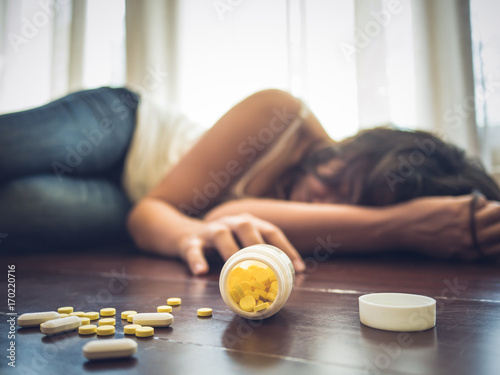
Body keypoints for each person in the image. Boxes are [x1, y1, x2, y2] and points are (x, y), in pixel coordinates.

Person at [1, 87, 499, 274]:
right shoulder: (282, 114)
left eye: (359, 207)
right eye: (344, 183)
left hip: (126, 204)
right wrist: (399, 225)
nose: (327, 201)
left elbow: (144, 215)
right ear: (356, 148)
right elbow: (192, 214)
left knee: (17, 211)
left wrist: (393, 227)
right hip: (125, 129)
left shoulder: (356, 229)